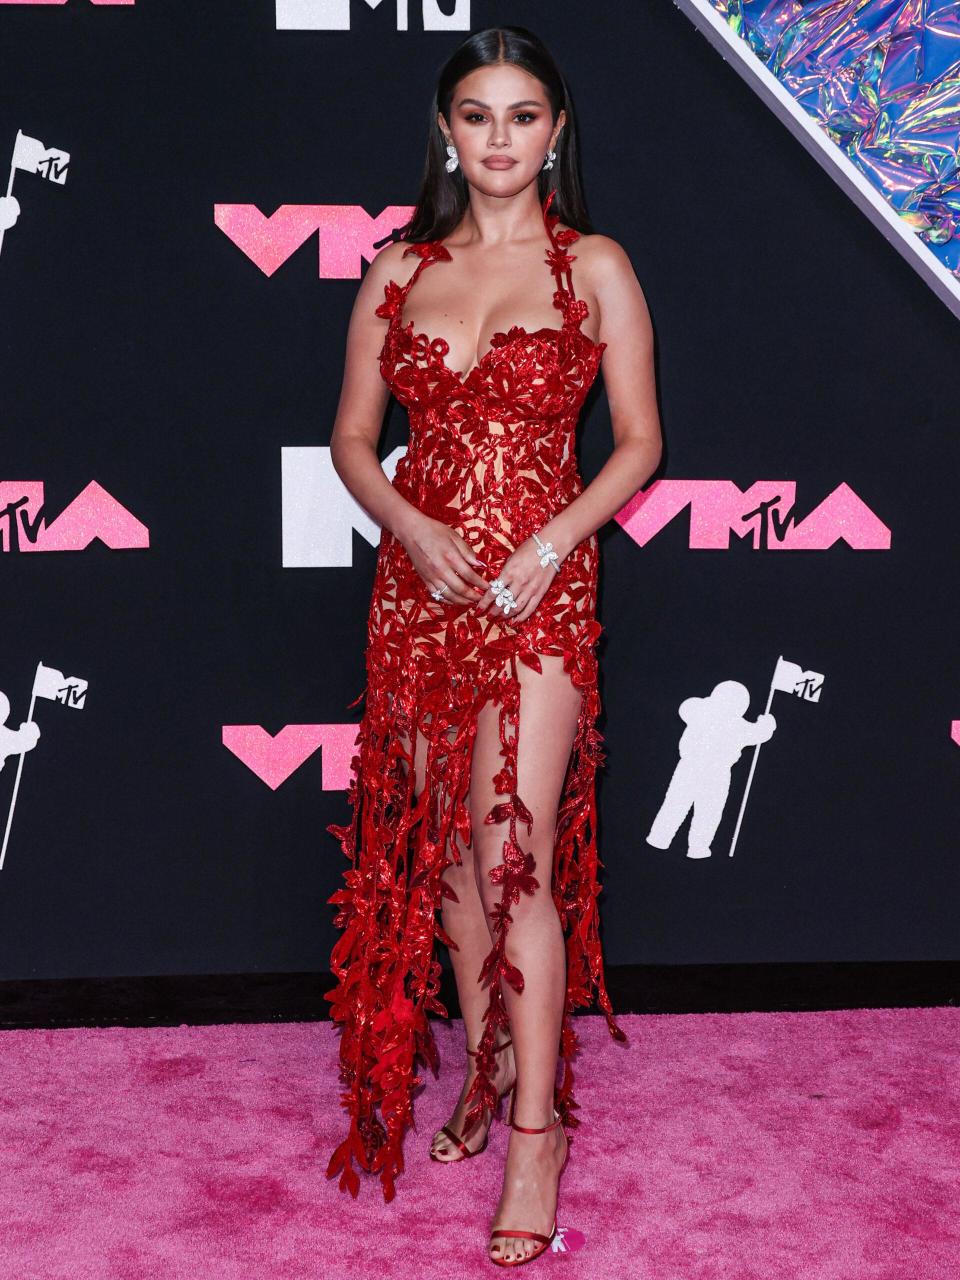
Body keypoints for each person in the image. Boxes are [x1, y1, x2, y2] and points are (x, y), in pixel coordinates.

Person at [325, 24, 661, 1267]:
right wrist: (409, 526)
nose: (501, 138)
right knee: (453, 863)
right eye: (478, 115)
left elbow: (638, 442)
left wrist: (547, 545)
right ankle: (487, 1061)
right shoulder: (400, 269)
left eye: (524, 116)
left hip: (540, 593)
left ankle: (538, 1130)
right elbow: (355, 439)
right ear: (448, 133)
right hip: (419, 592)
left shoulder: (597, 267)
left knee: (512, 851)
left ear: (555, 132)